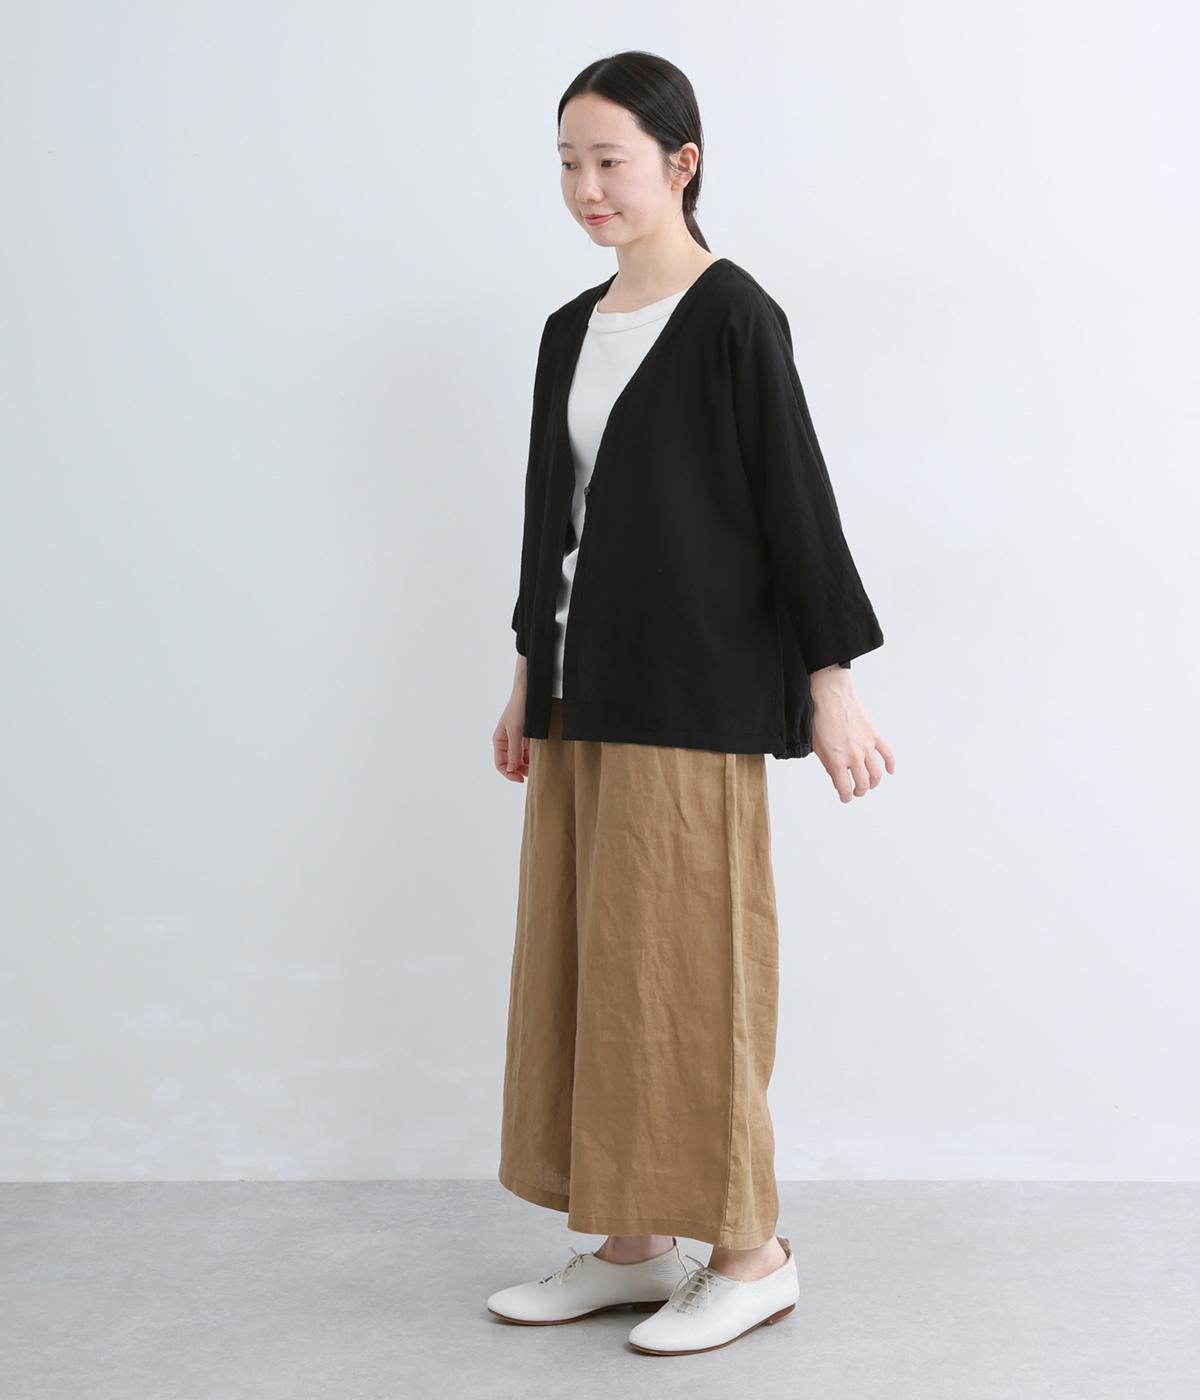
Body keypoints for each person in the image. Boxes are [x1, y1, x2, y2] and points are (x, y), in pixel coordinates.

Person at [487, 51, 895, 1357]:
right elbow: (553, 518)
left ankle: (750, 1255)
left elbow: (794, 502)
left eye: (610, 161)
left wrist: (829, 681)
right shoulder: (569, 329)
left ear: (682, 163)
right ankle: (628, 1245)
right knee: (592, 967)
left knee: (690, 976)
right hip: (582, 691)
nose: (587, 188)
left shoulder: (733, 317)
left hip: (692, 694)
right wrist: (527, 673)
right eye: (568, 162)